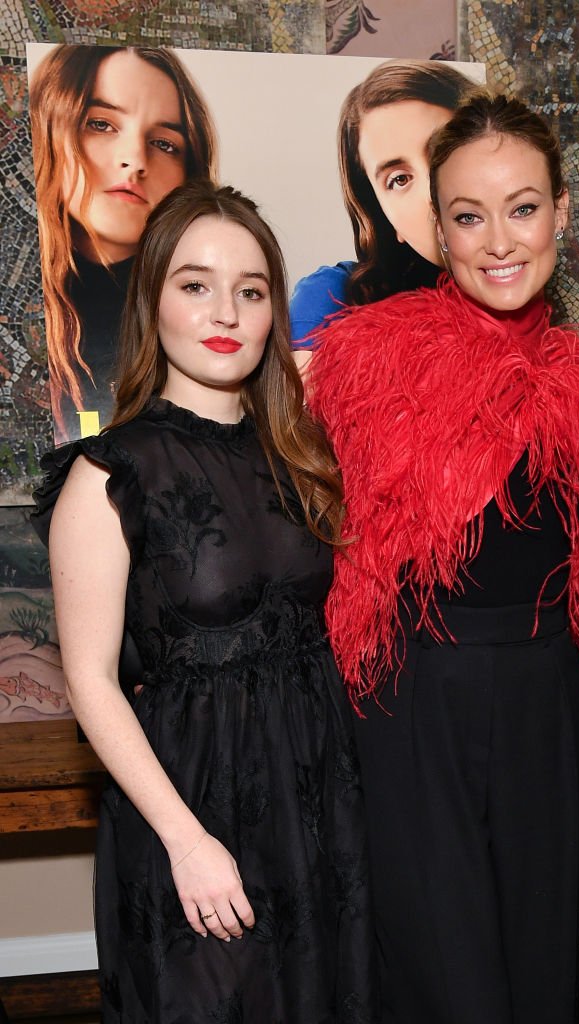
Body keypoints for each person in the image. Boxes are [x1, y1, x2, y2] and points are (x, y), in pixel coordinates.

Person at [305, 93, 579, 1024]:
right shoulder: (366, 361)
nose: (499, 240)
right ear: (437, 228)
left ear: (563, 213)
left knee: (546, 964)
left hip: (550, 696)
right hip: (412, 693)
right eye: (468, 215)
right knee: (442, 972)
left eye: (523, 207)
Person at [32, 181, 376, 1022]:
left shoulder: (303, 457)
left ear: (272, 315)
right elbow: (90, 683)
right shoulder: (110, 474)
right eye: (195, 284)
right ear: (154, 300)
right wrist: (186, 843)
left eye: (251, 290)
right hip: (190, 807)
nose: (225, 309)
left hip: (316, 801)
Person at [30, 44, 217, 443]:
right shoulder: (23, 303)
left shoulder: (208, 313)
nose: (135, 159)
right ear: (50, 127)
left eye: (165, 143)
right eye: (101, 124)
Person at [289, 58, 477, 348]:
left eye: (443, 152)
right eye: (399, 180)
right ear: (384, 214)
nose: (431, 193)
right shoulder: (333, 300)